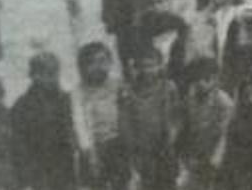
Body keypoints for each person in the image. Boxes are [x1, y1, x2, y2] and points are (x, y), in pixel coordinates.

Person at [10, 51, 77, 190]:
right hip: (39, 168)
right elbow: (17, 142)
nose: (53, 78)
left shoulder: (66, 99)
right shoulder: (22, 105)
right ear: (34, 75)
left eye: (55, 72)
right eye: (47, 73)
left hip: (64, 166)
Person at [118, 46, 181, 190]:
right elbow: (124, 121)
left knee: (168, 182)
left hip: (164, 147)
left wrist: (173, 134)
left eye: (151, 65)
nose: (147, 70)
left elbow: (177, 116)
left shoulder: (168, 87)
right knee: (147, 183)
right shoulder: (128, 92)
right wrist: (132, 146)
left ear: (160, 66)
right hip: (142, 150)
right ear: (135, 68)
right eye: (142, 66)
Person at [72, 42, 128, 190]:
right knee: (98, 184)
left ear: (110, 62)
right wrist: (88, 151)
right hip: (95, 146)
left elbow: (127, 113)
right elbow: (79, 123)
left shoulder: (117, 85)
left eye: (103, 61)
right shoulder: (79, 92)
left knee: (123, 182)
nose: (98, 66)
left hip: (118, 143)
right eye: (91, 63)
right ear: (83, 67)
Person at [181, 58, 236, 188]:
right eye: (197, 79)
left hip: (218, 155)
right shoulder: (190, 98)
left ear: (215, 79)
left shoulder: (223, 101)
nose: (201, 83)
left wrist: (216, 158)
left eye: (206, 79)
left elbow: (226, 133)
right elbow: (187, 126)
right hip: (198, 154)